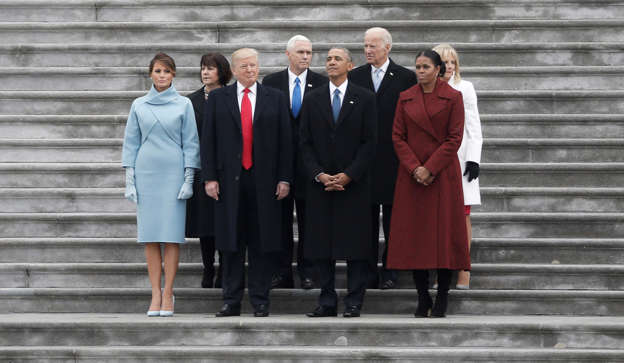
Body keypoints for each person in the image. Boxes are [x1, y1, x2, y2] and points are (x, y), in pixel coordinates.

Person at [201, 48, 293, 318]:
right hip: (228, 181)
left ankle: (260, 300)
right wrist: (210, 177)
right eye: (245, 66)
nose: (251, 70)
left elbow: (286, 142)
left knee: (262, 243)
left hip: (264, 181)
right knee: (230, 243)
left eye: (254, 65)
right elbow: (208, 141)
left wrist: (285, 177)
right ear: (234, 69)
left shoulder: (275, 98)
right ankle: (231, 300)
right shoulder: (219, 98)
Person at [387, 50, 470, 318]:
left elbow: (454, 137)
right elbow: (398, 136)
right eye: (418, 67)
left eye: (425, 67)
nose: (420, 71)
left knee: (443, 237)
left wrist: (430, 167)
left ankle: (442, 296)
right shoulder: (405, 97)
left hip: (442, 176)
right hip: (412, 177)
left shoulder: (453, 97)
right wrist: (415, 168)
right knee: (416, 238)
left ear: (438, 69)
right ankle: (422, 297)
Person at [299, 47, 377, 318]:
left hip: (353, 185)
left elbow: (371, 142)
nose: (331, 63)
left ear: (350, 65)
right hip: (321, 185)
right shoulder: (312, 99)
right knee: (321, 247)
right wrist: (318, 174)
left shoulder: (365, 98)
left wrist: (350, 174)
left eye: (337, 59)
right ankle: (327, 300)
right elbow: (304, 143)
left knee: (356, 247)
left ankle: (354, 300)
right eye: (329, 59)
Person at [122, 52, 200, 317]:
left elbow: (191, 142)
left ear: (173, 74)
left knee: (171, 236)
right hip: (147, 173)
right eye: (158, 71)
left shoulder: (184, 104)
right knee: (150, 237)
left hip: (173, 173)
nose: (162, 76)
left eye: (167, 71)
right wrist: (130, 180)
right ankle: (155, 293)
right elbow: (131, 142)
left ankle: (169, 293)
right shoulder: (139, 105)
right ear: (150, 74)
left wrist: (189, 179)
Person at [349, 27, 417, 290]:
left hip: (393, 160)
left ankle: (391, 269)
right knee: (364, 221)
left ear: (387, 48)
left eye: (373, 46)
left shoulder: (405, 77)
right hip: (362, 162)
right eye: (365, 46)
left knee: (393, 219)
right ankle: (366, 271)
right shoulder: (354, 76)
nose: (367, 50)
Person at [262, 35, 328, 290]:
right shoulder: (272, 82)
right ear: (288, 54)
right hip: (279, 163)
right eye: (300, 52)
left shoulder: (321, 83)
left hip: (310, 165)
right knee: (279, 221)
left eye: (309, 52)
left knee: (309, 221)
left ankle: (308, 271)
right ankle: (281, 271)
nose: (306, 57)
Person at [433, 43, 482, 289]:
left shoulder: (465, 88)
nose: (450, 67)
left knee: (462, 215)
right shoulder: (425, 88)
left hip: (460, 159)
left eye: (453, 62)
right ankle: (438, 267)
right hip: (432, 161)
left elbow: (473, 125)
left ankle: (464, 270)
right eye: (445, 62)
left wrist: (474, 158)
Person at [186, 53, 233, 289]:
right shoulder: (191, 100)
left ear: (221, 71)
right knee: (205, 223)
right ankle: (208, 268)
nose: (206, 72)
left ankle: (225, 269)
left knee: (224, 221)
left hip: (228, 168)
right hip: (201, 168)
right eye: (203, 68)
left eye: (211, 68)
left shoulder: (232, 95)